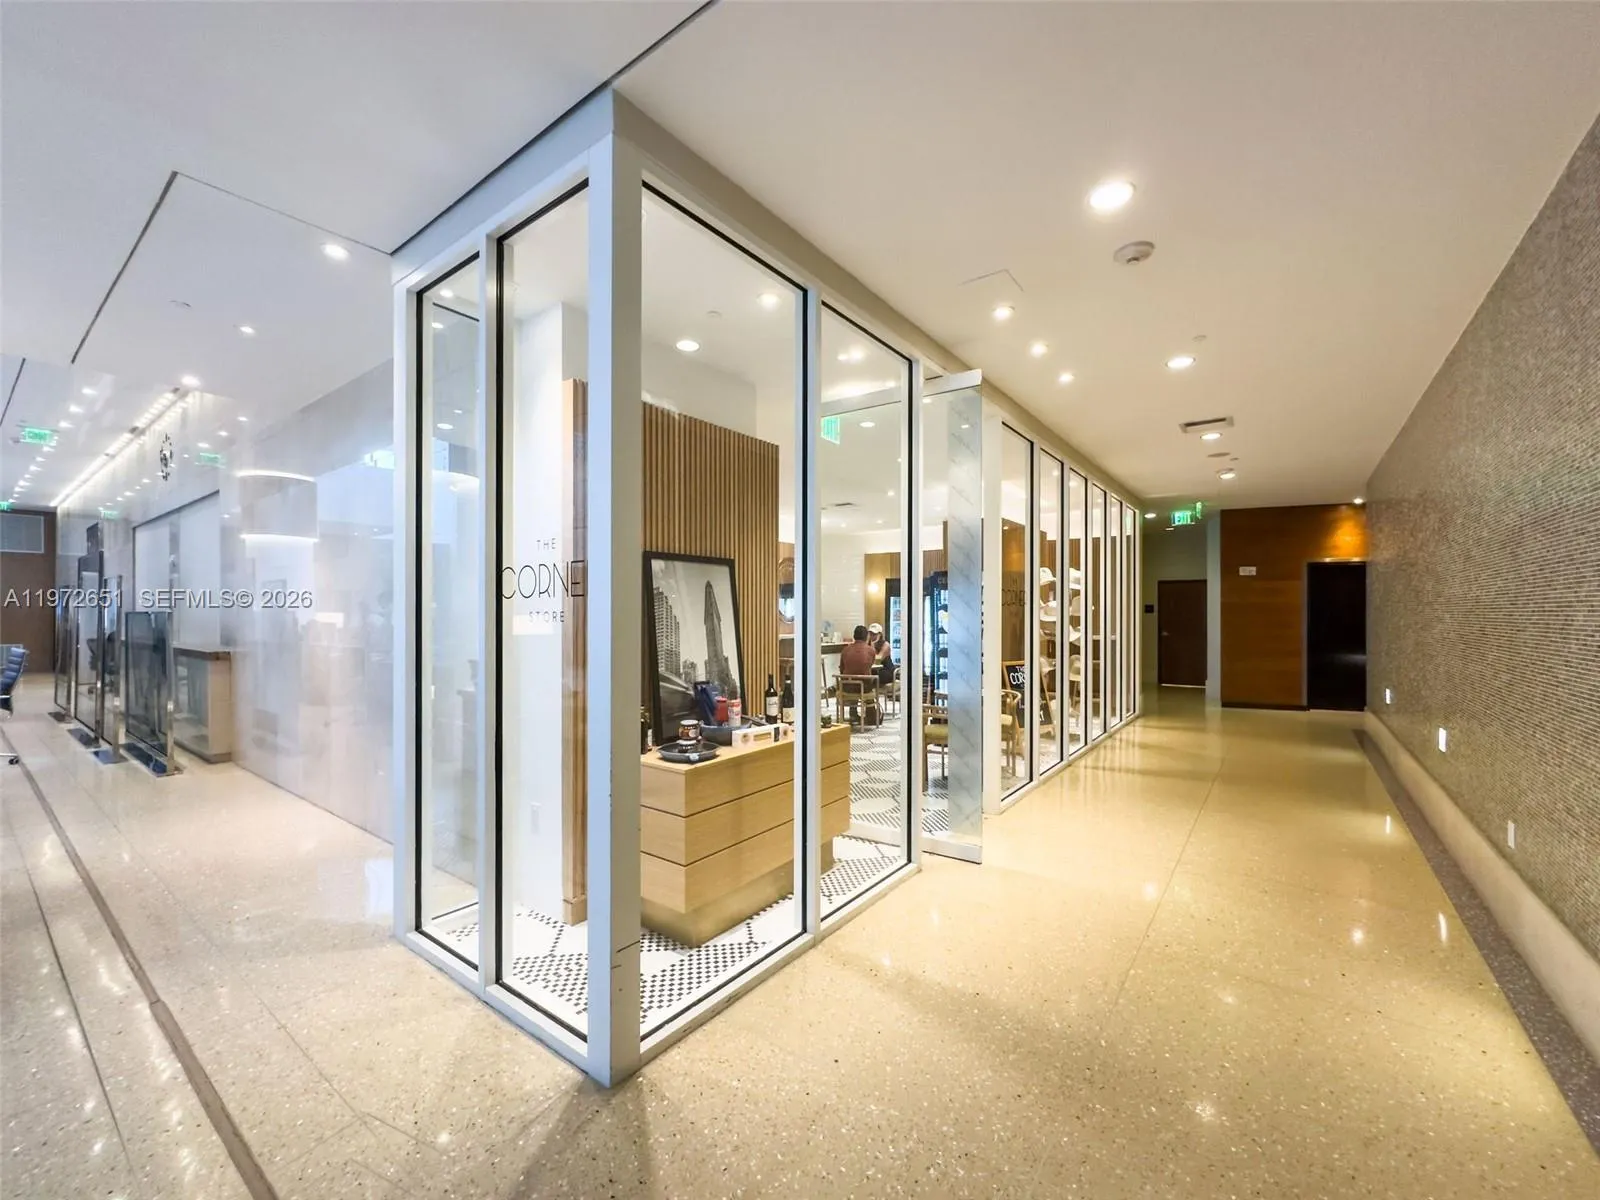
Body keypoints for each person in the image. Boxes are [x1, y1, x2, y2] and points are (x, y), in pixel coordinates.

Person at [868, 622, 896, 686]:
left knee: (876, 677)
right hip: (873, 670)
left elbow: (878, 659)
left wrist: (872, 645)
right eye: (870, 634)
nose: (872, 636)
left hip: (885, 670)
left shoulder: (885, 644)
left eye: (874, 634)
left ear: (880, 634)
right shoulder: (867, 644)